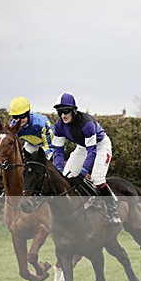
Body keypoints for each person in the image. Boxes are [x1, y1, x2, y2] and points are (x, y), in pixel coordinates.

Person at [52, 93, 120, 224]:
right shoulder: (59, 125)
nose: (63, 115)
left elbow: (92, 152)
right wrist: (59, 169)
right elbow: (57, 150)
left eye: (66, 111)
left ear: (74, 110)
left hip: (100, 146)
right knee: (66, 176)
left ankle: (113, 209)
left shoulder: (86, 123)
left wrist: (83, 173)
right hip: (83, 146)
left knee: (97, 178)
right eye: (59, 112)